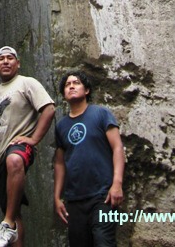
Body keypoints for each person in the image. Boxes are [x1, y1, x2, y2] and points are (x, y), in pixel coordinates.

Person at [0, 46, 55, 247]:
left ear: (18, 63)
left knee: (14, 160)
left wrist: (34, 139)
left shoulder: (27, 83)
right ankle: (10, 225)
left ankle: (7, 224)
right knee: (13, 209)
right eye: (1, 59)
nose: (5, 61)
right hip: (0, 157)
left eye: (10, 58)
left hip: (20, 148)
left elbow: (48, 109)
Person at [53, 71, 125, 247]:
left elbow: (117, 148)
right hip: (75, 200)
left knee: (104, 242)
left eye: (76, 83)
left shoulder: (101, 114)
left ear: (86, 90)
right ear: (63, 94)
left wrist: (117, 184)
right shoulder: (61, 126)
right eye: (67, 84)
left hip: (104, 196)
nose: (71, 86)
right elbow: (59, 163)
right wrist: (57, 197)